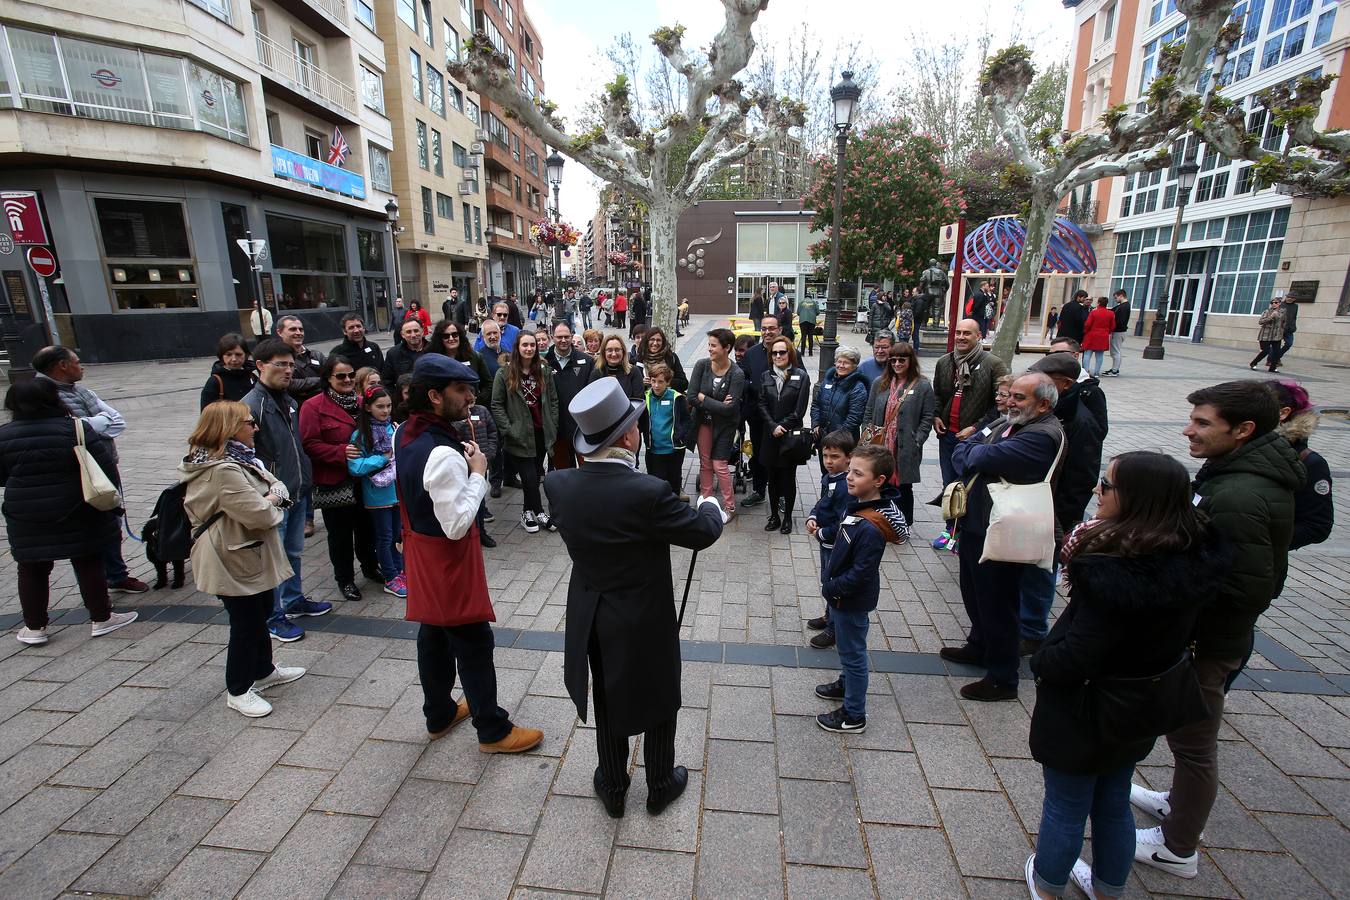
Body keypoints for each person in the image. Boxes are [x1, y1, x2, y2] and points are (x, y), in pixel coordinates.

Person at [1026, 451, 1225, 900]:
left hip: (1087, 706)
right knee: (1113, 800)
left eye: (1108, 484)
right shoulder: (1189, 554)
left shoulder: (1113, 569)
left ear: (1137, 497)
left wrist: (1042, 664)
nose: (1097, 490)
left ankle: (1048, 885)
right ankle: (1108, 889)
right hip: (1142, 703)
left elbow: (1079, 654)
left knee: (1066, 803)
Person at [1131, 381, 1302, 879]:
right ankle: (1177, 804)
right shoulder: (1234, 474)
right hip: (1206, 637)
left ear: (1243, 430)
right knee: (1188, 739)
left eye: (1202, 422)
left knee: (1194, 744)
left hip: (1205, 643)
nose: (1188, 430)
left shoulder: (1238, 494)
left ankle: (1177, 847)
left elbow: (1244, 588)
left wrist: (1174, 617)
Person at [545, 377, 724, 818]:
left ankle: (612, 784)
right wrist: (709, 505)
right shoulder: (647, 491)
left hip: (593, 611)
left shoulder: (558, 484)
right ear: (627, 437)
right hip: (644, 614)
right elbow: (701, 533)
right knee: (659, 692)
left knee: (607, 693)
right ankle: (660, 784)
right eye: (636, 426)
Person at [396, 355, 544, 752]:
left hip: (420, 551)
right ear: (434, 396)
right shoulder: (441, 452)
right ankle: (492, 730)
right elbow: (457, 524)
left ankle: (439, 714)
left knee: (433, 636)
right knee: (474, 642)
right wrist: (478, 471)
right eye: (460, 390)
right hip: (447, 560)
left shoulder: (404, 432)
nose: (469, 397)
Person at [942, 372, 1064, 702]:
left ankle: (1002, 677)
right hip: (979, 522)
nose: (1009, 402)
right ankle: (979, 646)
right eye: (1010, 395)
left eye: (1019, 397)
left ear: (1044, 404)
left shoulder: (1042, 435)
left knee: (997, 602)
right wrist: (972, 450)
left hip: (1004, 529)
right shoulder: (1007, 422)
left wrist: (973, 451)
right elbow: (965, 448)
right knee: (974, 591)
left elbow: (978, 456)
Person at [180, 400, 304, 717]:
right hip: (229, 555)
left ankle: (263, 670)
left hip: (245, 549)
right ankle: (237, 689)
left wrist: (272, 494)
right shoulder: (223, 470)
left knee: (261, 610)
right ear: (230, 428)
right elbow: (261, 512)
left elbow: (275, 483)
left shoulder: (240, 459)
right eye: (249, 422)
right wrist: (274, 497)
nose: (255, 427)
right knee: (245, 622)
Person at [0, 378, 138, 646]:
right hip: (77, 506)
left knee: (31, 567)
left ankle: (35, 627)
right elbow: (105, 467)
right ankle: (101, 618)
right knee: (88, 560)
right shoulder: (76, 429)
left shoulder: (4, 434)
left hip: (25, 512)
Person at [32, 346, 148, 595]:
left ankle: (116, 575)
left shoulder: (81, 391)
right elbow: (69, 431)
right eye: (77, 361)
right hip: (78, 472)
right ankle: (97, 593)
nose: (81, 366)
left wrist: (90, 425)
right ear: (62, 365)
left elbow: (116, 421)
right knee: (86, 535)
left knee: (111, 521)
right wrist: (92, 425)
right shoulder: (41, 394)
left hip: (103, 465)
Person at [814, 444, 907, 733]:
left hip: (849, 599)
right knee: (847, 649)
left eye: (858, 473)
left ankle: (854, 715)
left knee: (853, 655)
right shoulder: (858, 505)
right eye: (850, 470)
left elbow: (861, 573)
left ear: (878, 481)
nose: (849, 477)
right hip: (843, 596)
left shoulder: (870, 526)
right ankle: (846, 684)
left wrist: (832, 588)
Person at [1018, 353, 1106, 655]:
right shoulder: (1048, 412)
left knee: (1039, 571)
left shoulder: (1081, 422)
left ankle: (1031, 631)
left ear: (1065, 384)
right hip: (1031, 505)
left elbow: (1082, 478)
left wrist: (1059, 519)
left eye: (1044, 379)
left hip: (1050, 512)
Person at [244, 338, 332, 642]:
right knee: (273, 557)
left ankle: (293, 600)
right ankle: (272, 615)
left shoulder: (289, 401)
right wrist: (267, 491)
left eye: (291, 365)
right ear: (260, 366)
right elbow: (247, 457)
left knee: (293, 552)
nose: (288, 370)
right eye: (280, 364)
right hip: (274, 496)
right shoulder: (251, 406)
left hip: (297, 490)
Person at [300, 355, 381, 602]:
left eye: (350, 375)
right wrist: (340, 452)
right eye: (341, 376)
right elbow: (309, 443)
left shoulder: (362, 403)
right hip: (335, 481)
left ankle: (370, 567)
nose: (347, 380)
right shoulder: (313, 406)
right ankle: (345, 579)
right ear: (328, 378)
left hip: (364, 480)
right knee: (340, 535)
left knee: (367, 529)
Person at [930, 319, 1009, 553]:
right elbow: (938, 395)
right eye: (958, 332)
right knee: (950, 484)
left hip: (976, 440)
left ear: (978, 336)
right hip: (948, 436)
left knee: (970, 487)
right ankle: (951, 529)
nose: (961, 337)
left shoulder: (993, 364)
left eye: (967, 333)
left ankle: (967, 533)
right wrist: (936, 415)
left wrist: (975, 428)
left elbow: (999, 405)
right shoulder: (945, 362)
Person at [491, 331, 559, 533]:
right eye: (525, 345)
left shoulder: (544, 371)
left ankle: (526, 513)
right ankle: (540, 512)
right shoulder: (504, 373)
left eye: (532, 345)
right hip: (519, 434)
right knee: (529, 477)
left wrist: (553, 424)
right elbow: (496, 404)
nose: (529, 349)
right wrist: (509, 429)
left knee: (535, 475)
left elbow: (553, 401)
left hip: (541, 432)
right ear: (517, 348)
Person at [864, 341, 936, 528]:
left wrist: (917, 440)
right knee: (880, 483)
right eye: (893, 360)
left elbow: (927, 417)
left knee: (904, 487)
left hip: (905, 445)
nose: (897, 364)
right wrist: (868, 434)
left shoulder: (922, 385)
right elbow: (869, 411)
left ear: (910, 361)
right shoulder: (879, 383)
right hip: (880, 445)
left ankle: (904, 524)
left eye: (901, 360)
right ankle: (882, 522)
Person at [349, 386, 404, 598]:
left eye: (389, 406)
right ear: (368, 408)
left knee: (397, 535)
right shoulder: (360, 435)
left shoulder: (394, 428)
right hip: (377, 495)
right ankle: (390, 577)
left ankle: (400, 571)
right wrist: (382, 458)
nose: (385, 410)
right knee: (384, 536)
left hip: (397, 492)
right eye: (380, 406)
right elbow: (355, 466)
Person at [804, 430, 856, 650]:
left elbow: (843, 520)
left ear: (849, 458)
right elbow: (823, 502)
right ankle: (829, 616)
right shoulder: (830, 477)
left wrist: (821, 533)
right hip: (826, 542)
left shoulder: (846, 486)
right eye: (825, 456)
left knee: (834, 585)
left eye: (835, 457)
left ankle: (834, 629)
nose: (828, 461)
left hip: (836, 544)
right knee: (827, 580)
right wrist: (813, 516)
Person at [688, 328, 745, 522]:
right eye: (709, 345)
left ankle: (730, 507)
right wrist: (719, 404)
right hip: (703, 422)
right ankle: (707, 501)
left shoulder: (737, 373)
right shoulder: (701, 365)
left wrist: (704, 398)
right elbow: (691, 396)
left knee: (719, 464)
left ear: (726, 348)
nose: (709, 349)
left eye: (714, 345)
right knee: (705, 463)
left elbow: (730, 410)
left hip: (725, 426)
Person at [757, 336, 811, 534]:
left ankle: (787, 517)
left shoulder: (801, 376)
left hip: (789, 437)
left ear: (790, 353)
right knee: (772, 478)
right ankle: (774, 516)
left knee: (788, 478)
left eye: (782, 352)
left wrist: (782, 426)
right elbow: (761, 403)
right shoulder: (765, 376)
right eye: (774, 353)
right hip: (770, 435)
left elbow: (800, 410)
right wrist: (773, 426)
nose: (778, 356)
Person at [1272, 381, 1333, 550]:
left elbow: (1317, 525)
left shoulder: (1309, 462)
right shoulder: (1234, 445)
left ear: (1283, 412)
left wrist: (1261, 544)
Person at [739, 315, 781, 507]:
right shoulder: (752, 353)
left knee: (780, 457)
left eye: (771, 328)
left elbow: (801, 378)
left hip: (780, 417)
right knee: (758, 453)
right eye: (764, 328)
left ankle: (781, 495)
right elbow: (742, 376)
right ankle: (759, 490)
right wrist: (751, 386)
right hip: (756, 415)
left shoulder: (788, 351)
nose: (767, 332)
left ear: (779, 330)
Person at [545, 321, 594, 470]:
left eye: (566, 336)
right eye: (559, 337)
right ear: (552, 337)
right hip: (557, 429)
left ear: (572, 336)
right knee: (564, 471)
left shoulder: (587, 361)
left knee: (588, 470)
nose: (563, 340)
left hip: (582, 428)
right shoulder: (544, 363)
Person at [642, 362, 692, 498]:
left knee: (674, 483)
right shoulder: (645, 397)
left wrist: (680, 436)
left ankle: (674, 505)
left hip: (674, 450)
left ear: (668, 382)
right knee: (655, 484)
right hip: (653, 450)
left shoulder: (677, 398)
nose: (656, 385)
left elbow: (686, 420)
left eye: (660, 382)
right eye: (653, 381)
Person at [812, 346, 872, 452]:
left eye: (846, 363)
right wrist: (815, 423)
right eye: (839, 362)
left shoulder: (858, 387)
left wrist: (837, 437)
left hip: (844, 441)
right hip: (823, 437)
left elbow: (854, 417)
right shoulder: (828, 381)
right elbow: (816, 404)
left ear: (854, 365)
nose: (841, 365)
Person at [432, 319, 492, 400]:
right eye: (446, 336)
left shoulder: (475, 357)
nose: (451, 338)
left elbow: (488, 385)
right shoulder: (434, 360)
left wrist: (477, 400)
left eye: (455, 335)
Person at [276, 315, 325, 404]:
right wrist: (321, 381)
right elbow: (289, 384)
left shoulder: (317, 355)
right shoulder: (276, 357)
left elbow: (332, 377)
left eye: (301, 329)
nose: (298, 333)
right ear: (279, 332)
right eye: (293, 329)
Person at [201, 333, 256, 409]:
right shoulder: (215, 382)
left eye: (238, 354)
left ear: (246, 355)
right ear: (221, 356)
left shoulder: (252, 378)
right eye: (228, 354)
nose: (234, 359)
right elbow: (207, 413)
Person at [594, 334, 644, 402]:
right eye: (609, 350)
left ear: (623, 351)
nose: (614, 354)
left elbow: (639, 400)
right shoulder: (597, 373)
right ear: (603, 353)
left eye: (617, 350)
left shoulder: (633, 372)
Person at [637, 327, 687, 393]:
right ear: (647, 341)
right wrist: (641, 383)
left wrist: (666, 381)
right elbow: (633, 387)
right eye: (652, 339)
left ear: (663, 342)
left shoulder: (671, 357)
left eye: (658, 340)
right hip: (647, 397)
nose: (655, 343)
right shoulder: (640, 358)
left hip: (669, 397)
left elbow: (684, 383)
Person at [383, 318, 428, 384]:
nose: (413, 335)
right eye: (408, 332)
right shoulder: (393, 354)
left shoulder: (434, 350)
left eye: (416, 331)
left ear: (422, 331)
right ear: (402, 335)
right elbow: (387, 382)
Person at [1079, 298, 1115, 378]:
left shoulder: (1094, 312)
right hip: (1103, 336)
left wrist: (1085, 331)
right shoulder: (1111, 313)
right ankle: (1096, 372)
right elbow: (1113, 326)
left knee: (1087, 354)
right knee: (1099, 355)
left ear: (1098, 303)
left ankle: (1085, 371)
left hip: (1091, 335)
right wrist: (1107, 332)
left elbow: (1088, 324)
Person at [1248, 295, 1286, 371]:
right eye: (1272, 303)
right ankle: (1254, 363)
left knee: (1276, 352)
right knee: (1266, 351)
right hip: (1265, 335)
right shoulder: (1266, 311)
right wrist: (1271, 317)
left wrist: (1282, 331)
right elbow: (1261, 322)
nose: (1273, 304)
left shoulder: (1283, 312)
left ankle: (1273, 368)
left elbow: (1284, 322)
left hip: (1276, 335)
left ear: (1279, 303)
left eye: (1276, 302)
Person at [1104, 289, 1131, 377]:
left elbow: (1120, 321)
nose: (1115, 300)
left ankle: (1114, 370)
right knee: (1116, 351)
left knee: (1115, 351)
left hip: (1118, 331)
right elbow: (1112, 310)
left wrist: (1112, 326)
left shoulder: (1124, 307)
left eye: (1116, 298)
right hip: (1120, 331)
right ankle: (1115, 369)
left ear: (1121, 296)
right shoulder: (1123, 306)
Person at [1274, 296, 1298, 369]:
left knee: (1289, 343)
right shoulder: (1280, 304)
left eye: (1292, 297)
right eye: (1288, 297)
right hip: (1280, 328)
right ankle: (1272, 360)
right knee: (1275, 345)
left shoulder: (1295, 306)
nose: (1290, 298)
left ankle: (1277, 357)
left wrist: (1293, 326)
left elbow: (1294, 317)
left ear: (1294, 299)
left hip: (1289, 329)